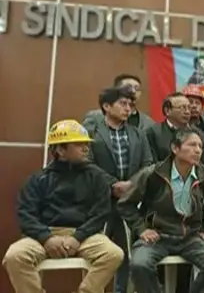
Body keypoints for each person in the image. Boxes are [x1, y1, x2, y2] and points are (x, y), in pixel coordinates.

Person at [3, 120, 124, 293]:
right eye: (79, 144)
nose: (86, 149)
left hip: (85, 235)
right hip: (45, 235)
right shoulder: (37, 180)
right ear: (60, 150)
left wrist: (77, 237)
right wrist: (47, 238)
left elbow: (100, 213)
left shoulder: (97, 177)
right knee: (14, 256)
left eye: (86, 144)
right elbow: (26, 215)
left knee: (114, 254)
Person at [118, 129, 204, 293]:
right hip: (158, 235)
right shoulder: (153, 174)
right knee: (139, 264)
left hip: (190, 237)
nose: (198, 150)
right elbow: (125, 204)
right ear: (175, 148)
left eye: (200, 146)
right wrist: (141, 229)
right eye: (192, 145)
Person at [87, 86, 153, 293]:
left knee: (127, 254)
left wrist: (131, 186)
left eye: (131, 105)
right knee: (98, 255)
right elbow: (87, 164)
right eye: (123, 104)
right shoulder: (92, 133)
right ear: (107, 106)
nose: (128, 109)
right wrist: (112, 185)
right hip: (101, 202)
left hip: (131, 202)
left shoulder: (138, 134)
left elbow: (148, 164)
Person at [83, 74, 156, 133]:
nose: (133, 91)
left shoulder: (148, 123)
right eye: (128, 87)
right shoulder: (94, 118)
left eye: (136, 89)